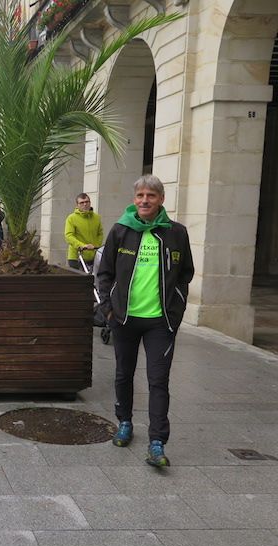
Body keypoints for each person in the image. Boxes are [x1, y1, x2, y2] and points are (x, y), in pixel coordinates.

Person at [97, 175, 194, 468]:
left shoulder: (176, 233)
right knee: (124, 375)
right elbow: (104, 273)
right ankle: (124, 422)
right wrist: (109, 309)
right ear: (134, 199)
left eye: (151, 195)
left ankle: (157, 442)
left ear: (161, 199)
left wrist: (174, 314)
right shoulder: (120, 231)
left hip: (159, 323)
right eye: (140, 195)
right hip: (124, 319)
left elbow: (185, 274)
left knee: (158, 381)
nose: (144, 201)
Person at [65, 193, 104, 270]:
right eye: (82, 203)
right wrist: (82, 245)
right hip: (76, 257)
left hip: (93, 256)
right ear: (77, 205)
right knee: (78, 281)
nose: (85, 204)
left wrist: (96, 245)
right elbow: (69, 236)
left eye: (87, 202)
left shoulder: (97, 218)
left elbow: (100, 233)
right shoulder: (71, 218)